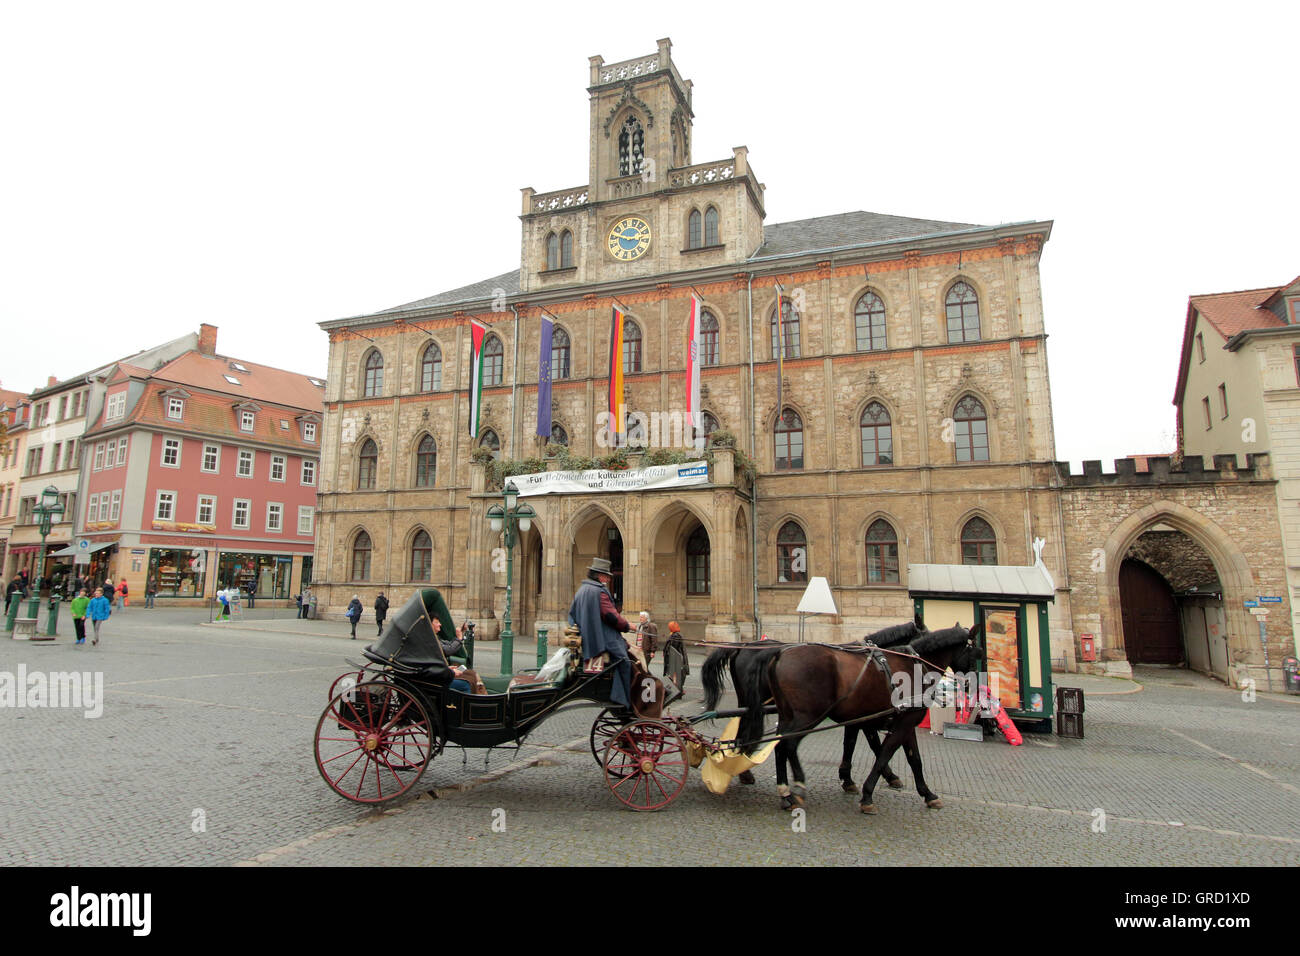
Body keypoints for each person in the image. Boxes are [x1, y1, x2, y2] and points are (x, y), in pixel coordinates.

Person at [567, 557, 632, 709]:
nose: (608, 579)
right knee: (624, 662)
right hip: (602, 639)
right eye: (606, 576)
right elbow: (611, 616)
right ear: (599, 576)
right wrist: (628, 626)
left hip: (588, 638)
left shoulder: (581, 590)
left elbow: (572, 615)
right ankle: (621, 699)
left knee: (625, 654)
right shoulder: (599, 592)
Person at [663, 620, 689, 689]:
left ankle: (678, 691)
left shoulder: (675, 635)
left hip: (676, 659)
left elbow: (673, 648)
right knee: (676, 676)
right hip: (676, 659)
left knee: (675, 676)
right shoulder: (675, 634)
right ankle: (679, 690)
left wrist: (666, 653)